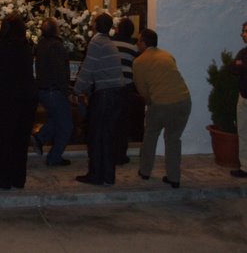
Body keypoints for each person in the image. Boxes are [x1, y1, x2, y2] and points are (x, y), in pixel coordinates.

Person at [133, 28, 192, 188]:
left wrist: (149, 101)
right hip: (183, 101)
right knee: (173, 139)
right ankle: (174, 178)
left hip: (160, 103)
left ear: (144, 43)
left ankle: (145, 171)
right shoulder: (167, 55)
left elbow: (142, 89)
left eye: (138, 41)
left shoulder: (139, 62)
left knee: (151, 135)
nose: (137, 44)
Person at [0, 13, 38, 190]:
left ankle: (3, 178)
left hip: (7, 97)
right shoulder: (26, 47)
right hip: (28, 97)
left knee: (5, 138)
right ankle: (18, 178)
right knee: (21, 140)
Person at [74, 12, 124, 186]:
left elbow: (89, 68)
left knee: (95, 135)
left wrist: (78, 90)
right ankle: (108, 176)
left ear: (95, 25)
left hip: (105, 95)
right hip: (116, 93)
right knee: (107, 136)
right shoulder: (109, 42)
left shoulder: (96, 42)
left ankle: (95, 175)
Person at [32, 17, 73, 166]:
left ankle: (41, 137)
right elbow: (59, 71)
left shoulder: (41, 45)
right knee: (66, 125)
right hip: (54, 91)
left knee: (57, 119)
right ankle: (54, 156)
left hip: (43, 90)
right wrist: (66, 91)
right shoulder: (56, 46)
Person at [112, 17, 141, 165]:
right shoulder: (134, 47)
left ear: (118, 29)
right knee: (123, 123)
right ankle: (120, 155)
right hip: (126, 87)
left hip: (110, 86)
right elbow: (137, 66)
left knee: (110, 120)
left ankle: (109, 152)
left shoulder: (110, 43)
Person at [230, 21, 247, 178]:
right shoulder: (243, 51)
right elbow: (234, 68)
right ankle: (245, 166)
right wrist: (240, 64)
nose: (243, 34)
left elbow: (240, 67)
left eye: (245, 31)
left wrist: (242, 65)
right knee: (242, 131)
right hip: (243, 96)